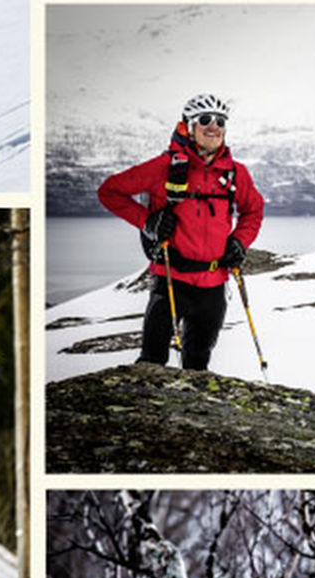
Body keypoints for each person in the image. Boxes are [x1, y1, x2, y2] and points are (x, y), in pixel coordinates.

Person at [98, 94, 266, 372]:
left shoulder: (237, 173)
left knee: (198, 363)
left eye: (220, 121)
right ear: (188, 126)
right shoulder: (163, 167)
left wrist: (239, 240)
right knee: (152, 362)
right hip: (170, 278)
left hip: (213, 283)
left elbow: (254, 211)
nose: (213, 126)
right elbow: (109, 191)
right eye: (204, 120)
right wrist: (147, 221)